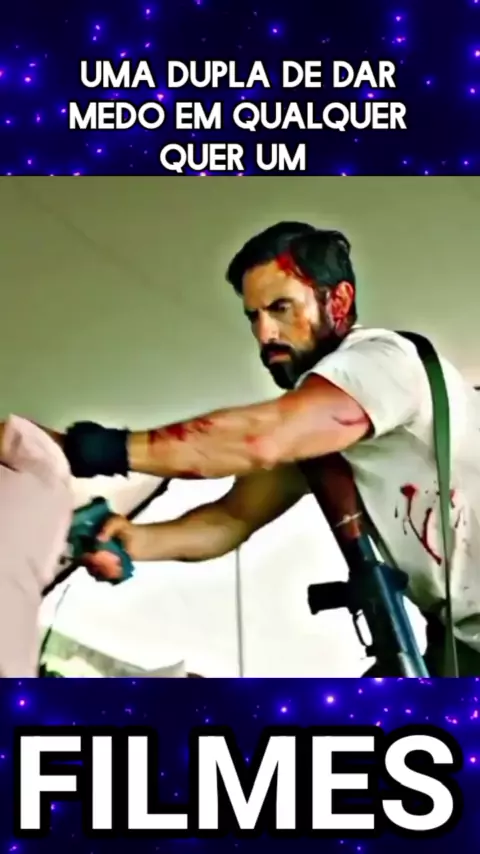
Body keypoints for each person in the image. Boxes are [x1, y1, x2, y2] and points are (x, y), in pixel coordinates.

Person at [4, 222, 480, 675]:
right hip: (459, 643)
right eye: (254, 316)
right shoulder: (317, 443)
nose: (264, 334)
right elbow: (229, 520)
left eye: (281, 308)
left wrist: (88, 450)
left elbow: (257, 440)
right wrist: (134, 540)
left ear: (338, 300)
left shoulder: (383, 362)